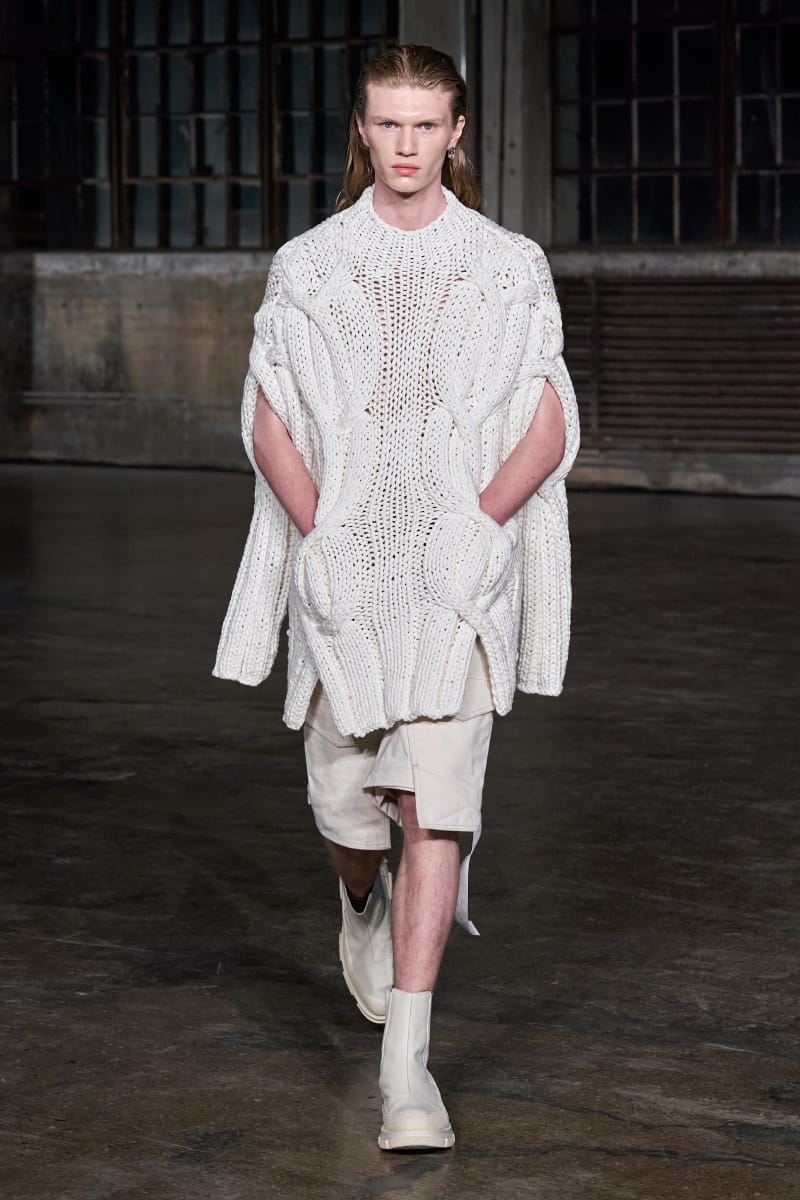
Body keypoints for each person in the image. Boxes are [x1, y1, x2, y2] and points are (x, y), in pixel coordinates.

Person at [214, 44, 579, 1151]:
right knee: (347, 812)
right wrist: (319, 532)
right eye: (388, 123)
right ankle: (357, 902)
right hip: (348, 581)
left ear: (456, 132)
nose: (407, 145)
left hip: (454, 583)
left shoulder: (506, 264)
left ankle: (407, 1070)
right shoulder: (311, 264)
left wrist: (481, 525)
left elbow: (547, 414)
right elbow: (270, 409)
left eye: (427, 125)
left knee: (434, 806)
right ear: (361, 130)